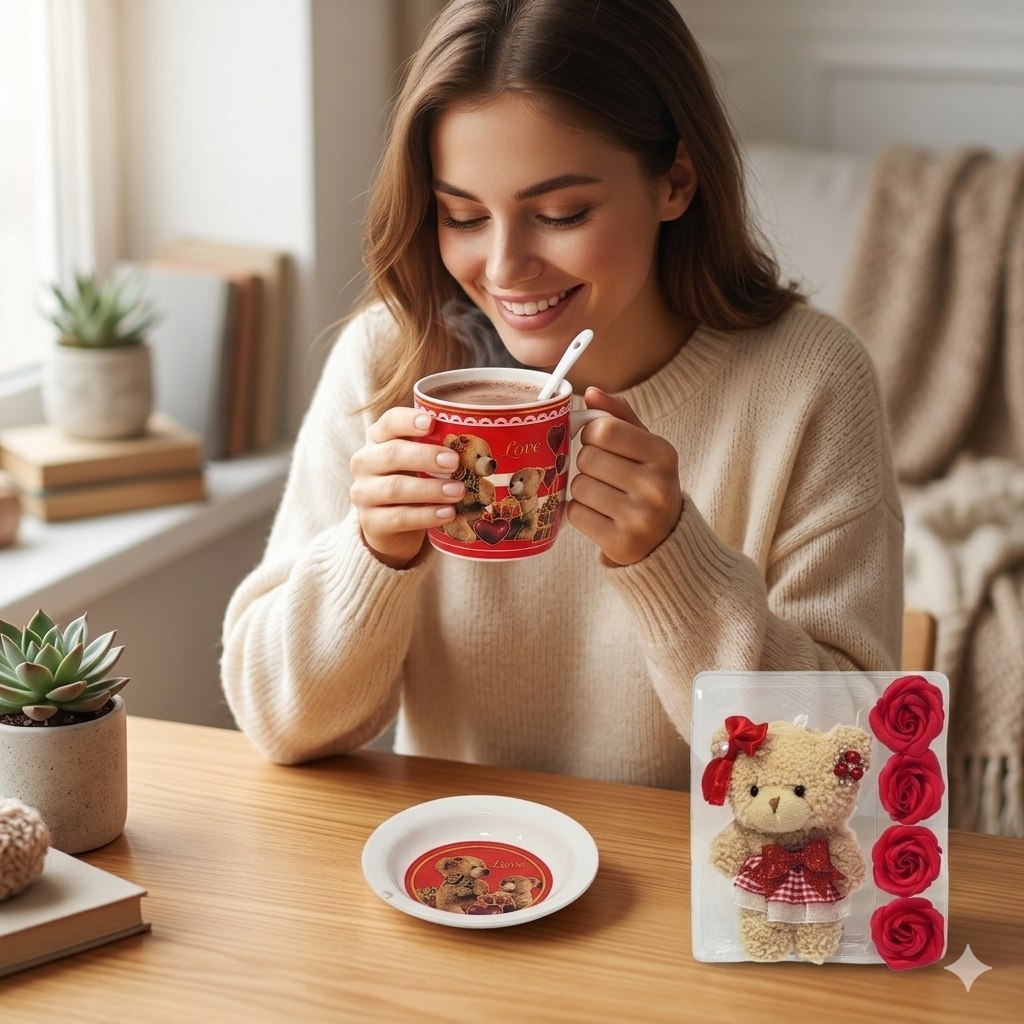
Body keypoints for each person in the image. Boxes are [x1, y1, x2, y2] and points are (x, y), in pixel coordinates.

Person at [221, 0, 903, 789]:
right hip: (456, 855)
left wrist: (674, 563)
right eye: (463, 216)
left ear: (676, 181)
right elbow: (279, 724)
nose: (504, 268)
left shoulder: (811, 381)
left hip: (696, 864)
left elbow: (857, 768)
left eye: (559, 214)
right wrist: (371, 554)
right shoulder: (391, 358)